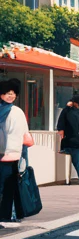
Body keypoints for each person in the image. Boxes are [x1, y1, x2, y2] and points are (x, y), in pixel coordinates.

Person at [1, 78, 34, 227]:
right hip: (12, 155)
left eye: (13, 93)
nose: (10, 96)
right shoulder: (16, 111)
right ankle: (7, 216)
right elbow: (25, 136)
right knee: (9, 187)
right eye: (7, 93)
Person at [56, 97, 79, 186]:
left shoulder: (68, 112)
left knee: (77, 159)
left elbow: (61, 126)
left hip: (71, 141)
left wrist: (67, 107)